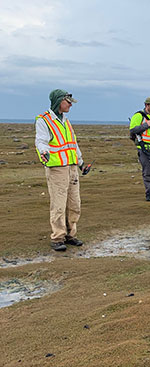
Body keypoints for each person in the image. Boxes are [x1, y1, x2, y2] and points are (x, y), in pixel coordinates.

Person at [35, 89, 84, 251]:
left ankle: (71, 235)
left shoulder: (66, 121)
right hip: (57, 169)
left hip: (72, 167)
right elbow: (41, 141)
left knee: (74, 203)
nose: (70, 104)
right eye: (68, 101)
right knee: (59, 204)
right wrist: (44, 152)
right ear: (58, 101)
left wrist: (81, 162)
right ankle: (58, 237)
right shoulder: (44, 120)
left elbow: (73, 144)